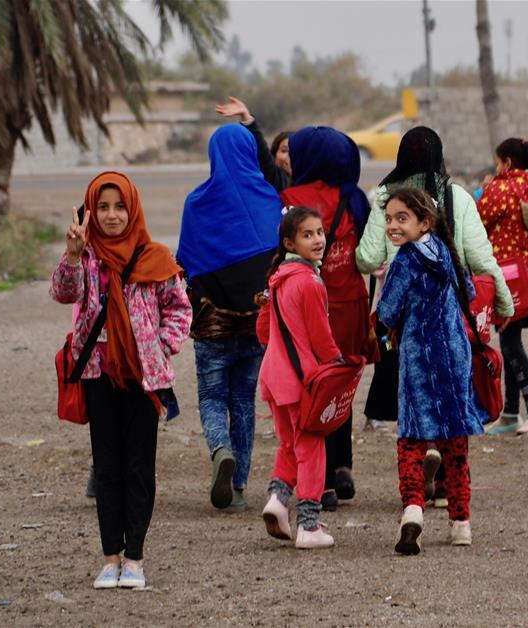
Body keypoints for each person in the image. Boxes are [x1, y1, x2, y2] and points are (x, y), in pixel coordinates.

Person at [217, 99, 372, 512]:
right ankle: (341, 467)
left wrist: (252, 125)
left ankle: (314, 482)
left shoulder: (287, 197)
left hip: (302, 308)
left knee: (309, 392)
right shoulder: (354, 198)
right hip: (349, 305)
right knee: (340, 385)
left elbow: (267, 171)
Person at [356, 126, 513, 506]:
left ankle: (421, 461)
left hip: (403, 323)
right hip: (451, 320)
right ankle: (447, 486)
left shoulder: (385, 198)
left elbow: (366, 258)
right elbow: (481, 260)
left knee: (412, 395)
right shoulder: (457, 197)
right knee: (449, 393)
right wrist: (505, 304)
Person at [50, 171, 191, 589]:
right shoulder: (88, 256)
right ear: (90, 211)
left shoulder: (157, 256)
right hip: (97, 373)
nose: (112, 216)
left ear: (134, 208)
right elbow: (62, 293)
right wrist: (72, 255)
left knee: (138, 468)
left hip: (143, 377)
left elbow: (179, 310)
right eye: (103, 207)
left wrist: (157, 346)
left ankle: (135, 559)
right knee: (107, 467)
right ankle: (109, 557)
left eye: (120, 206)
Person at [177, 124, 284, 513]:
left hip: (212, 322)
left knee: (211, 395)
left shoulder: (197, 203)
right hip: (256, 320)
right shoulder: (269, 199)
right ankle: (238, 488)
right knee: (243, 399)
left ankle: (220, 448)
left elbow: (185, 262)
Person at [376, 188, 486, 555]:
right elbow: (468, 291)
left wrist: (385, 329)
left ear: (424, 221)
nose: (393, 225)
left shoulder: (405, 260)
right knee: (456, 442)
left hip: (419, 359)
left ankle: (413, 512)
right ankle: (461, 523)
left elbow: (388, 311)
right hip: (455, 356)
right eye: (389, 218)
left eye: (401, 218)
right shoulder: (446, 252)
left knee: (411, 440)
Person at [255, 206, 343, 549]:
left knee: (289, 445)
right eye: (308, 234)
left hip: (274, 376)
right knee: (312, 449)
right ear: (290, 242)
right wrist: (337, 364)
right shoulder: (310, 282)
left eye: (319, 232)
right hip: (300, 380)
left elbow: (263, 329)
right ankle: (308, 524)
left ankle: (277, 501)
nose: (318, 239)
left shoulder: (278, 279)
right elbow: (321, 338)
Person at [477, 137, 528, 435]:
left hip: (504, 279)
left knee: (510, 344)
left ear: (507, 162)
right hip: (527, 277)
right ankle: (510, 414)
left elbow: (477, 219)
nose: (496, 168)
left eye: (498, 162)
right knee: (511, 339)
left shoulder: (500, 188)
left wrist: (484, 190)